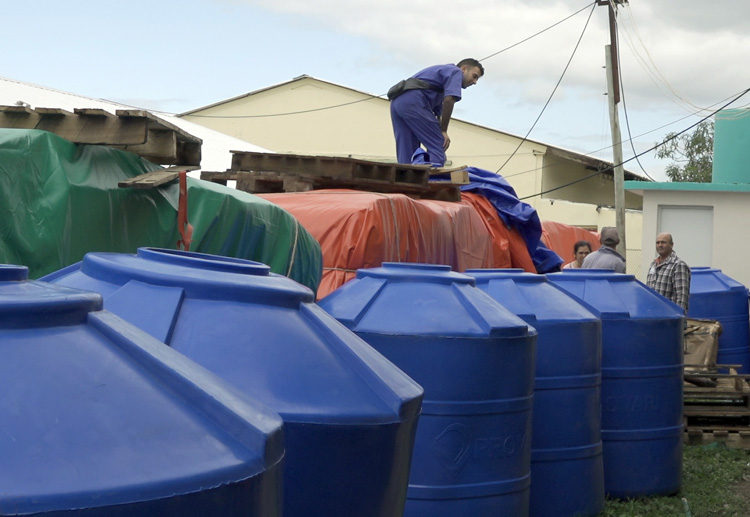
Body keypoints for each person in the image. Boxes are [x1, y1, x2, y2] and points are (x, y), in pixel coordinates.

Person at [389, 58, 484, 167]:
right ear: (463, 69)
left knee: (407, 149)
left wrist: (439, 125)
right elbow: (449, 100)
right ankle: (433, 179)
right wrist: (443, 131)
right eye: (474, 76)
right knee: (438, 143)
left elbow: (437, 114)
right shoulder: (455, 72)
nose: (475, 82)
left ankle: (405, 177)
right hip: (413, 100)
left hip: (398, 101)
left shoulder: (440, 80)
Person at [646, 232, 691, 313]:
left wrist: (678, 320)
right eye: (657, 242)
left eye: (663, 242)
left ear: (671, 245)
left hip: (669, 319)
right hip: (652, 316)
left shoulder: (678, 265)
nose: (660, 245)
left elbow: (681, 298)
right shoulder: (653, 265)